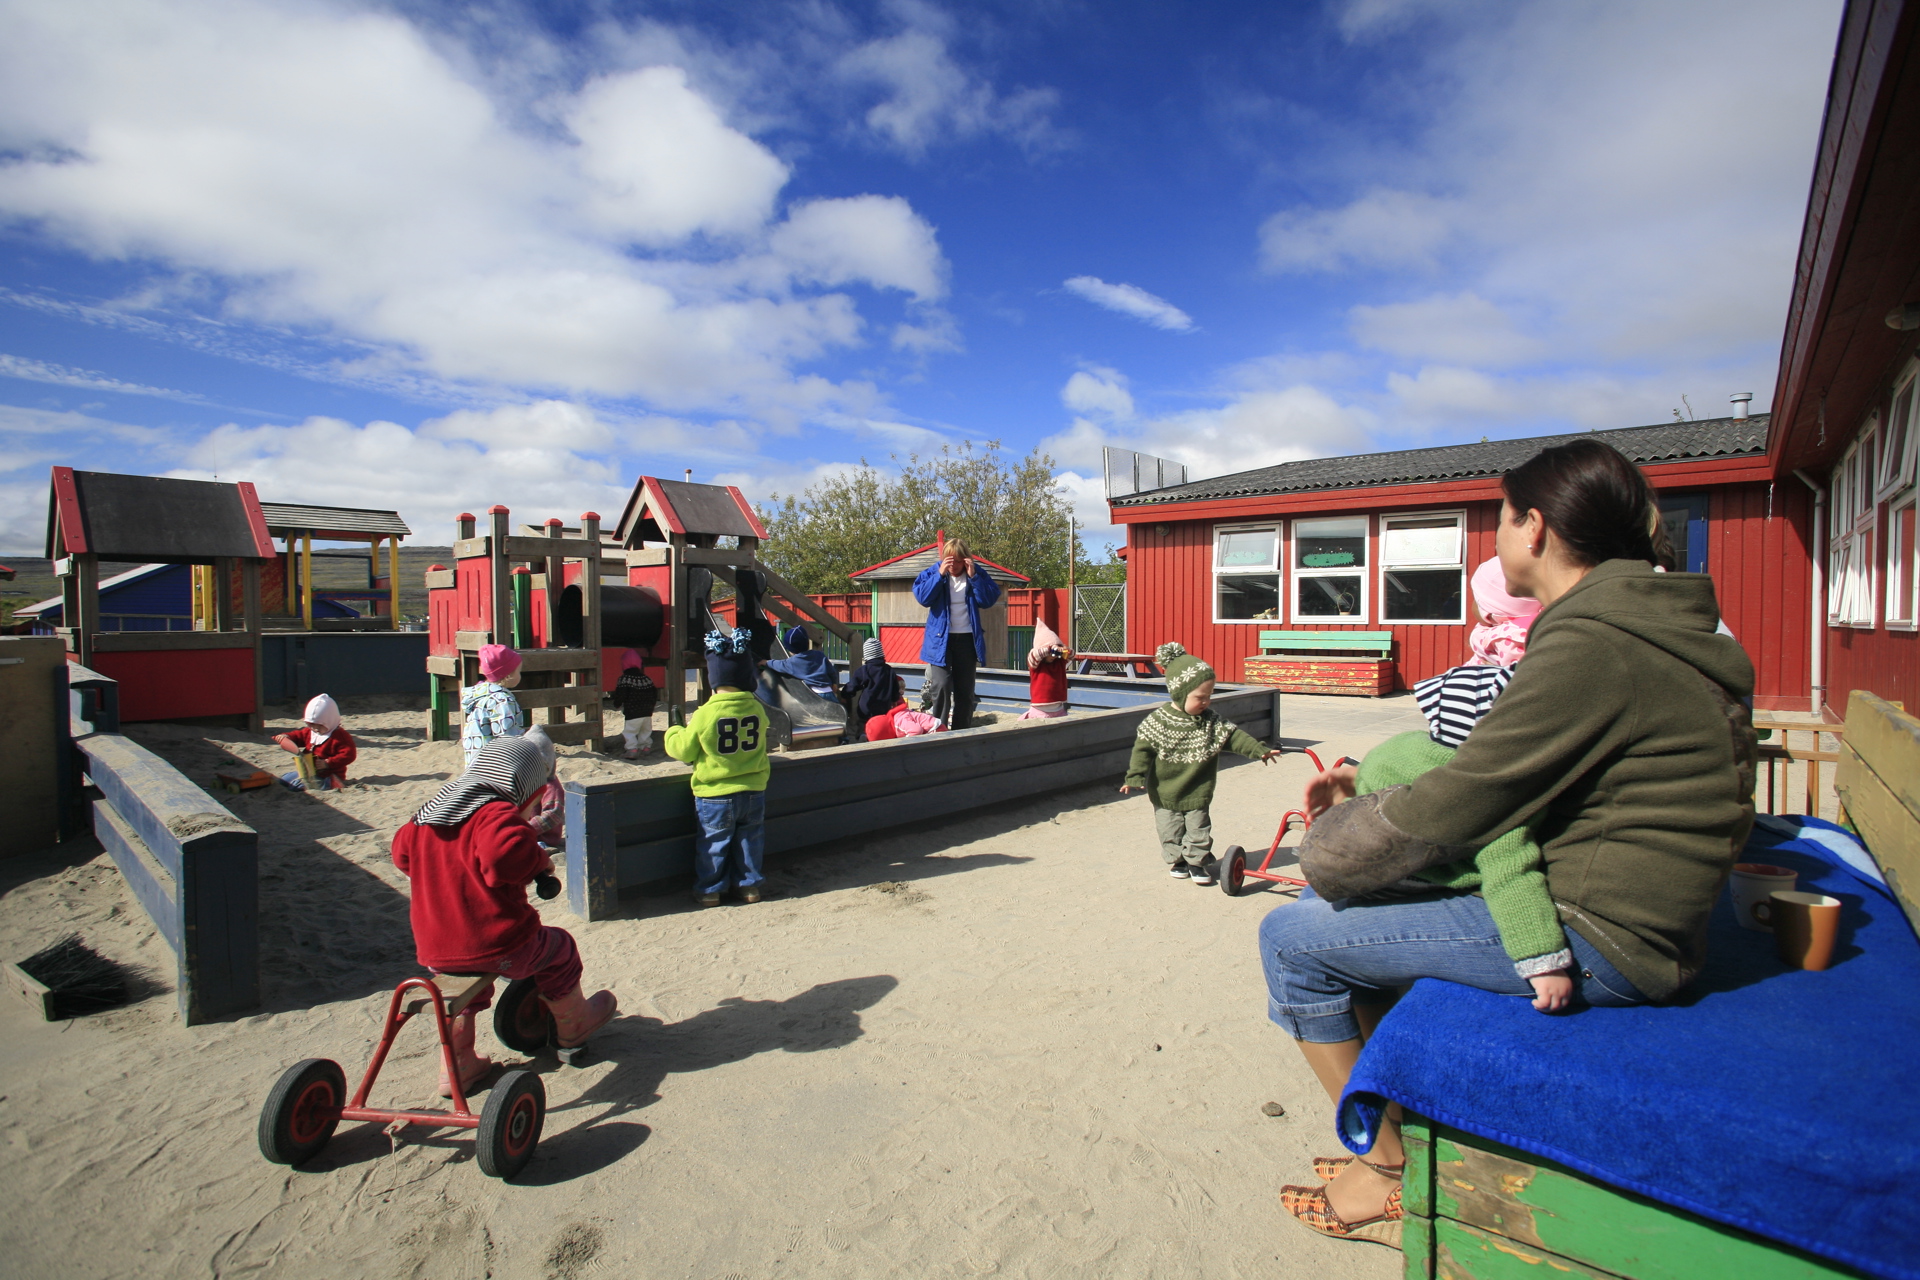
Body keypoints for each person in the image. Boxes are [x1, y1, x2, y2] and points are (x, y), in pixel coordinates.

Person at [1263, 439, 1757, 1247]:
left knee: (1290, 939)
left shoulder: (1593, 644)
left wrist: (1331, 847)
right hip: (1649, 911)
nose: (1491, 537)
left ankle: (1385, 1172)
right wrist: (1368, 785)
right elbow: (1500, 771)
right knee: (1357, 907)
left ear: (1535, 528)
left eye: (1499, 518)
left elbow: (1470, 795)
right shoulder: (1646, 624)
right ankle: (1396, 1131)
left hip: (1607, 934)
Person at [392, 735, 617, 1095]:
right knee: (559, 949)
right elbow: (504, 858)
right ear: (523, 792)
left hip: (436, 947)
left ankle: (457, 1066)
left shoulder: (431, 812)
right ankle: (574, 1025)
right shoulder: (494, 812)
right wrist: (537, 861)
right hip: (501, 942)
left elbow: (401, 855)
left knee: (460, 996)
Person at [1120, 643, 1279, 886]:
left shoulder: (1210, 721)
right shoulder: (1159, 721)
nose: (1206, 702)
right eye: (1199, 697)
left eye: (1209, 696)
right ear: (1180, 694)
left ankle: (1197, 862)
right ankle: (1178, 861)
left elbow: (1234, 737)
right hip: (1165, 791)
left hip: (1198, 789)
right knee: (1169, 829)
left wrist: (1259, 750)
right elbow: (1142, 750)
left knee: (1198, 829)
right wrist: (1134, 776)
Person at [665, 629, 771, 908]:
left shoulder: (706, 713)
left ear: (713, 681)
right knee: (750, 841)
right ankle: (749, 887)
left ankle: (711, 889)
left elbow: (683, 750)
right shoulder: (757, 709)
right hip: (753, 790)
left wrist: (674, 730)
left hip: (715, 794)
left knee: (713, 843)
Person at [911, 537, 1001, 730]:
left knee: (965, 690)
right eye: (949, 561)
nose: (954, 565)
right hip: (939, 640)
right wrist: (939, 575)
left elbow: (988, 600)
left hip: (967, 639)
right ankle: (939, 728)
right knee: (941, 685)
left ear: (966, 560)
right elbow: (923, 598)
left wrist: (974, 577)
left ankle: (961, 731)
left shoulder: (976, 573)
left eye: (958, 561)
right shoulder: (934, 572)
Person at [1466, 555, 1541, 666]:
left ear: (1488, 614)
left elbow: (1519, 673)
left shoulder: (1511, 639)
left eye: (1476, 601)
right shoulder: (1543, 622)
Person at [273, 693, 356, 790]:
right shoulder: (310, 732)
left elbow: (349, 755)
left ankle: (333, 784)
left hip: (328, 775)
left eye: (320, 726)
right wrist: (286, 737)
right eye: (311, 725)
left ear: (330, 721)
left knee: (296, 786)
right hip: (309, 771)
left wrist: (328, 763)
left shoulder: (340, 737)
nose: (315, 729)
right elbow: (298, 736)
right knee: (284, 780)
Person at [462, 643, 525, 764]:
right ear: (508, 676)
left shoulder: (480, 695)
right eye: (518, 672)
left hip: (474, 759)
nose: (520, 676)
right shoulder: (502, 700)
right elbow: (506, 736)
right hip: (494, 762)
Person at [841, 637, 897, 741]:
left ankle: (863, 734)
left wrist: (845, 694)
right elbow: (895, 689)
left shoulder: (864, 670)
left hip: (866, 709)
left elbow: (852, 686)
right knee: (881, 725)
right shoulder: (889, 671)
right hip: (884, 708)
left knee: (863, 724)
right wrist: (894, 700)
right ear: (881, 653)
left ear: (866, 655)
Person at [1020, 615, 1071, 720]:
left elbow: (1071, 654)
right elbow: (1035, 654)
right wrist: (1050, 648)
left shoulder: (1060, 662)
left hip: (1059, 709)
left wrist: (1061, 649)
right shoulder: (1036, 665)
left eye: (1055, 653)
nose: (1054, 656)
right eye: (1051, 653)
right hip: (1040, 710)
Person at [610, 649, 658, 759]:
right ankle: (645, 748)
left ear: (624, 664)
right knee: (645, 731)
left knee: (630, 731)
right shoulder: (646, 679)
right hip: (647, 712)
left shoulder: (624, 679)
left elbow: (620, 694)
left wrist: (617, 704)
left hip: (633, 711)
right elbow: (654, 693)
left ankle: (632, 749)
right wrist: (651, 706)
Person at [767, 625, 838, 697]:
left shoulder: (794, 661)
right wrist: (834, 683)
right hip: (828, 692)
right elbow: (831, 671)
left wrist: (767, 662)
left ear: (791, 649)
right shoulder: (819, 655)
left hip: (813, 694)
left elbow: (780, 665)